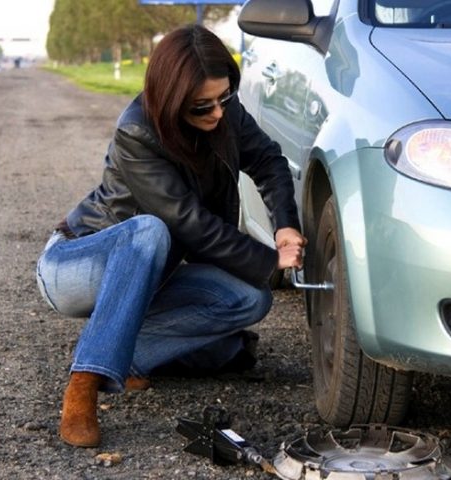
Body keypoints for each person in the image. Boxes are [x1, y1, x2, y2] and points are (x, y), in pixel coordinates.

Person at [36, 24, 306, 448]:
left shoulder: (225, 113)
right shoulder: (136, 131)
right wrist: (268, 260)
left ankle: (121, 352)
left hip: (152, 271)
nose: (218, 114)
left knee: (251, 298)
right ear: (171, 99)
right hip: (77, 263)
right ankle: (84, 382)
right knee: (150, 229)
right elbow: (189, 223)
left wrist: (285, 225)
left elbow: (269, 160)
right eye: (202, 106)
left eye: (224, 98)